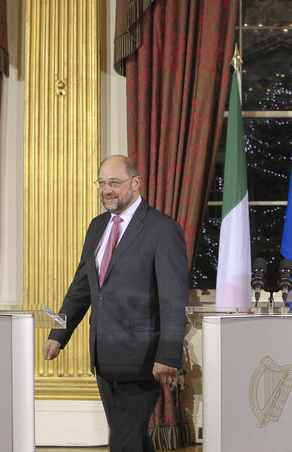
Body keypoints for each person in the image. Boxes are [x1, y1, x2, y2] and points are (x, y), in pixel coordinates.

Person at [43, 155, 189, 452]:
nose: (106, 190)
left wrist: (169, 355)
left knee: (123, 442)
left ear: (135, 183)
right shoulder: (97, 227)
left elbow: (173, 298)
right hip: (104, 359)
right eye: (101, 183)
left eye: (113, 182)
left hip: (143, 360)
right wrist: (58, 333)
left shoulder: (162, 229)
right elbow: (82, 288)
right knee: (132, 440)